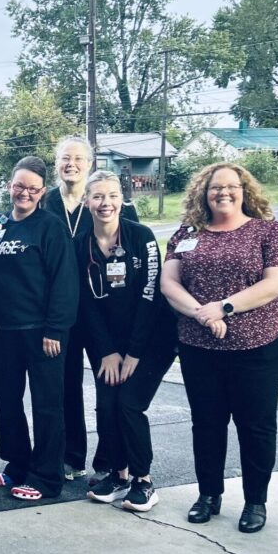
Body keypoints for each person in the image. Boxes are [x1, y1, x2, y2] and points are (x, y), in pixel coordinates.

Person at [161, 162, 278, 534]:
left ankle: (255, 501)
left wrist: (224, 307)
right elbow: (169, 283)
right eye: (215, 188)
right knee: (207, 424)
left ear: (244, 190)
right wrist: (204, 316)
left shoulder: (268, 231)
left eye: (231, 186)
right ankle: (208, 495)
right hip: (198, 347)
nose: (223, 193)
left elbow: (276, 282)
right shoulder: (187, 233)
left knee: (256, 426)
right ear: (203, 193)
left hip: (258, 346)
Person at [75, 170, 177, 513]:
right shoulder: (80, 243)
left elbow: (150, 295)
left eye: (112, 195)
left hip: (151, 341)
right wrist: (106, 351)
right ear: (87, 201)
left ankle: (143, 481)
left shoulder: (141, 236)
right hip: (107, 346)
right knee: (107, 405)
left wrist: (133, 353)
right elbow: (85, 303)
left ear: (122, 199)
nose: (106, 203)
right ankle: (118, 476)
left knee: (129, 404)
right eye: (98, 196)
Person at [41, 136, 139, 485]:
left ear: (90, 162)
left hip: (103, 311)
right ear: (56, 163)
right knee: (64, 386)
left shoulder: (108, 201)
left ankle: (110, 459)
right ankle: (71, 456)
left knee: (107, 387)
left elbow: (133, 254)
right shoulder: (46, 201)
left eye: (79, 158)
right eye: (65, 158)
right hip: (59, 311)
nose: (72, 164)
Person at [0, 156, 78, 501]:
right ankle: (17, 465)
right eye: (19, 186)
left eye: (33, 188)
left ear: (42, 192)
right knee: (5, 398)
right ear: (10, 186)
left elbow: (64, 280)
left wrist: (55, 329)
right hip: (6, 331)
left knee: (46, 404)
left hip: (43, 331)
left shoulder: (49, 226)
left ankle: (47, 476)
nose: (24, 193)